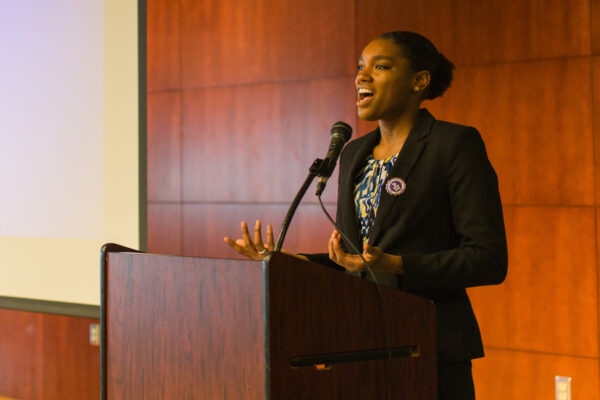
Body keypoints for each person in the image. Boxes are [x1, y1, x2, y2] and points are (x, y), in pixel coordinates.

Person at [224, 31, 507, 400]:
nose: (362, 76)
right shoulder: (353, 153)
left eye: (380, 66)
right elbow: (356, 261)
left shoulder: (453, 145)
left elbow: (488, 260)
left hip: (429, 348)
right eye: (360, 67)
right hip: (358, 347)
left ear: (418, 81)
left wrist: (399, 264)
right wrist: (290, 261)